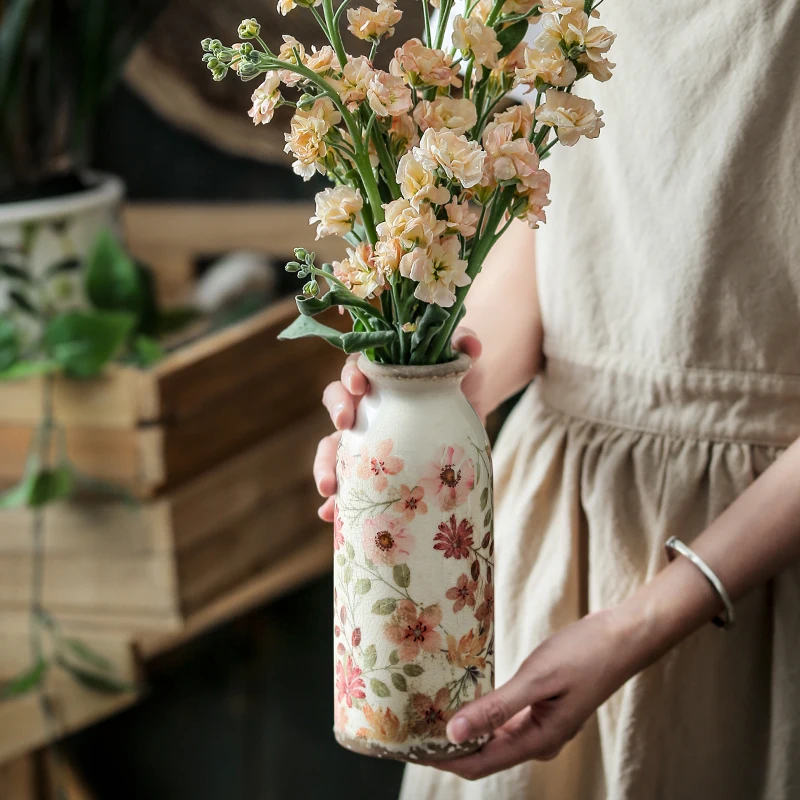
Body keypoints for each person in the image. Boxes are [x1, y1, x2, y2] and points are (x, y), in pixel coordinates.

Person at [314, 2, 800, 797]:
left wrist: (641, 623)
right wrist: (428, 409)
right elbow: (554, 243)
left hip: (761, 555)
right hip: (557, 531)